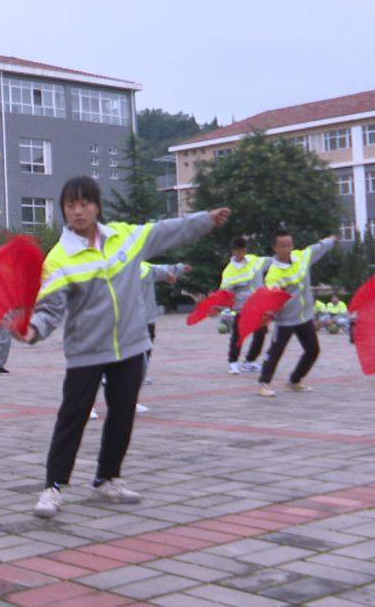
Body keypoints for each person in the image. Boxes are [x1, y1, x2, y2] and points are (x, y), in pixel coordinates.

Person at [21, 176, 228, 519]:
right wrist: (34, 331)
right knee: (72, 418)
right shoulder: (59, 258)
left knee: (122, 414)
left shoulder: (126, 237)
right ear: (64, 211)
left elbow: (168, 230)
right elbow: (50, 309)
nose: (78, 211)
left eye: (84, 203)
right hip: (86, 351)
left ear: (97, 206)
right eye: (71, 205)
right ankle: (53, 488)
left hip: (131, 347)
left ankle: (106, 479)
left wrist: (204, 220)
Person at [256, 230, 337, 397]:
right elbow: (270, 296)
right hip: (285, 319)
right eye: (282, 246)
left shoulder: (302, 257)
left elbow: (318, 248)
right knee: (276, 351)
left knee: (313, 350)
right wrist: (269, 310)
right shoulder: (274, 273)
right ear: (275, 248)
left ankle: (294, 380)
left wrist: (332, 239)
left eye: (289, 245)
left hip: (304, 317)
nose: (287, 249)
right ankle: (264, 383)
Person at [221, 237, 269, 375]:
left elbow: (271, 262)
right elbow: (226, 292)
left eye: (243, 251)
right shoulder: (229, 271)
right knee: (238, 335)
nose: (241, 254)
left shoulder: (254, 260)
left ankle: (250, 361)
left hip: (259, 306)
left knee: (261, 334)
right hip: (242, 308)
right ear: (233, 251)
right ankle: (233, 362)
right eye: (238, 251)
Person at [140, 262, 188, 386]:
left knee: (146, 346)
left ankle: (140, 373)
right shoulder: (117, 269)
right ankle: (109, 375)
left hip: (147, 318)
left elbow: (165, 269)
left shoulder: (146, 268)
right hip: (127, 319)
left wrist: (180, 268)